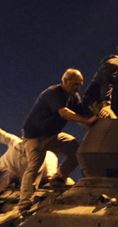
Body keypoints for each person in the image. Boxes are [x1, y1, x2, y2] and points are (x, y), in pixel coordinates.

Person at [19, 69, 96, 214]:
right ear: (65, 81)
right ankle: (24, 203)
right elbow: (64, 113)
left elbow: (83, 111)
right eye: (74, 84)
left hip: (52, 135)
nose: (77, 87)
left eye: (80, 84)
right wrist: (86, 120)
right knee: (34, 166)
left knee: (76, 150)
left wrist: (97, 116)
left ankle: (58, 178)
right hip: (35, 136)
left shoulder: (73, 96)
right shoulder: (53, 93)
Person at [0, 101, 58, 195]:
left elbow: (52, 176)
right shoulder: (15, 142)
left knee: (13, 177)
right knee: (6, 174)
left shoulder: (49, 157)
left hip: (19, 181)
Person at [84, 40, 118, 120]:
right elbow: (107, 82)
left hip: (100, 106)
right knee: (114, 127)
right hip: (96, 106)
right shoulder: (115, 63)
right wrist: (106, 104)